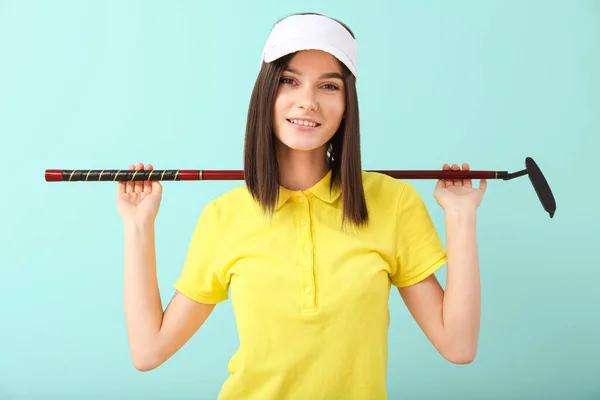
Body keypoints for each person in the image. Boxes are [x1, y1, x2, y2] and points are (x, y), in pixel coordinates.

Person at [116, 12, 487, 400]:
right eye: (289, 81)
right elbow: (149, 350)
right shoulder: (224, 216)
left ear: (347, 105)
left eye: (329, 86)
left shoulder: (392, 203)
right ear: (266, 94)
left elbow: (458, 346)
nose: (308, 101)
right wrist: (138, 224)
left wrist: (461, 215)